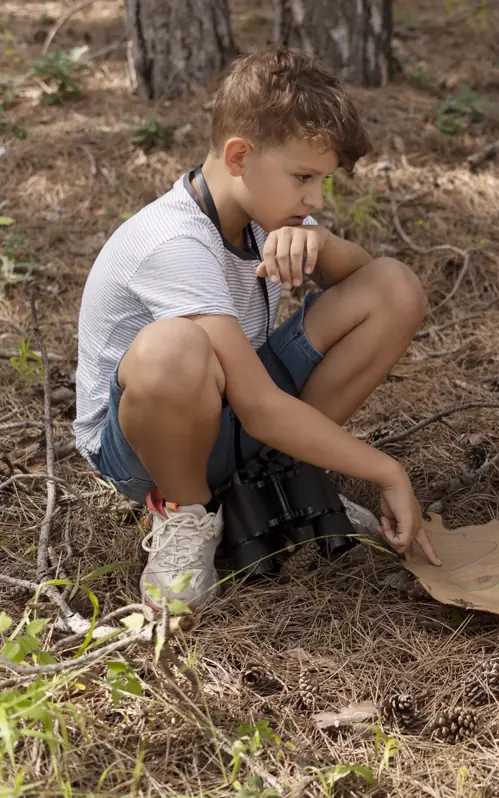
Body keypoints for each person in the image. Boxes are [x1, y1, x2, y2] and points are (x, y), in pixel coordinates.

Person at [73, 48, 440, 613]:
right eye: (304, 177)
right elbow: (260, 406)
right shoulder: (174, 241)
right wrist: (385, 469)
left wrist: (321, 243)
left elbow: (376, 286)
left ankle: (287, 470)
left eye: (322, 181)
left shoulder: (266, 216)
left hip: (229, 409)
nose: (315, 199)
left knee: (396, 285)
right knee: (173, 348)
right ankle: (186, 516)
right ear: (240, 155)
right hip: (143, 445)